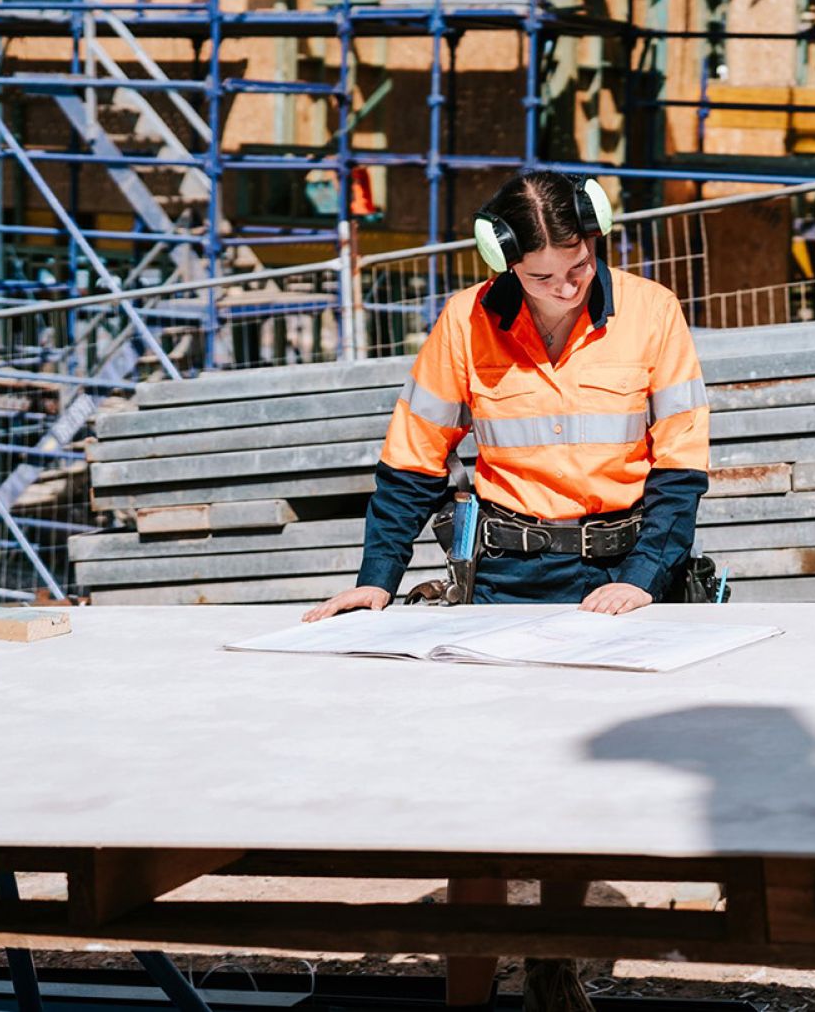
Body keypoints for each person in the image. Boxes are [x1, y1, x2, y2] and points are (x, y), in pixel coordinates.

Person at [303, 169, 710, 1009]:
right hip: (505, 578)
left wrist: (643, 577)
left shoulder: (652, 312)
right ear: (501, 263)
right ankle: (469, 992)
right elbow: (413, 462)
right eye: (544, 274)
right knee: (479, 800)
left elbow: (681, 468)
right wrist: (374, 581)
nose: (568, 284)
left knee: (575, 793)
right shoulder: (463, 322)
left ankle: (553, 967)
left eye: (580, 261)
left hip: (613, 576)